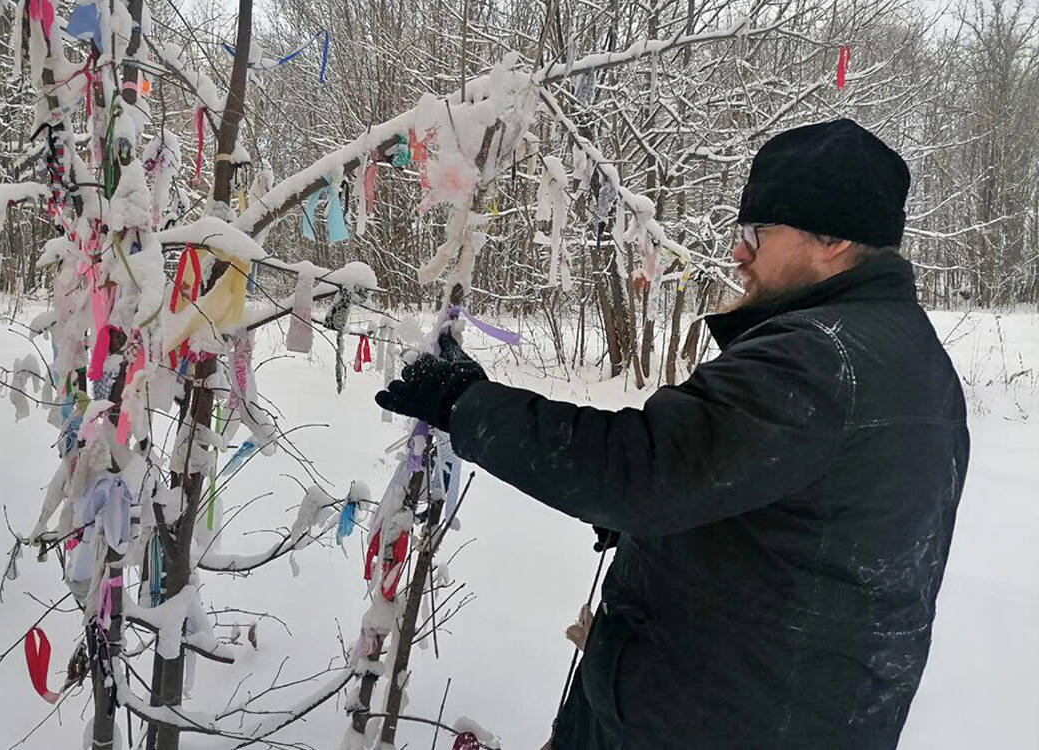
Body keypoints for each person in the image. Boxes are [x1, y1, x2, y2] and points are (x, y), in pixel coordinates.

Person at [375, 119, 969, 749]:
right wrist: (674, 532)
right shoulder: (909, 355)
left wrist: (464, 403)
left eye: (757, 233)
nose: (738, 253)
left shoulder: (819, 357)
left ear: (831, 237)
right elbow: (784, 504)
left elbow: (642, 469)